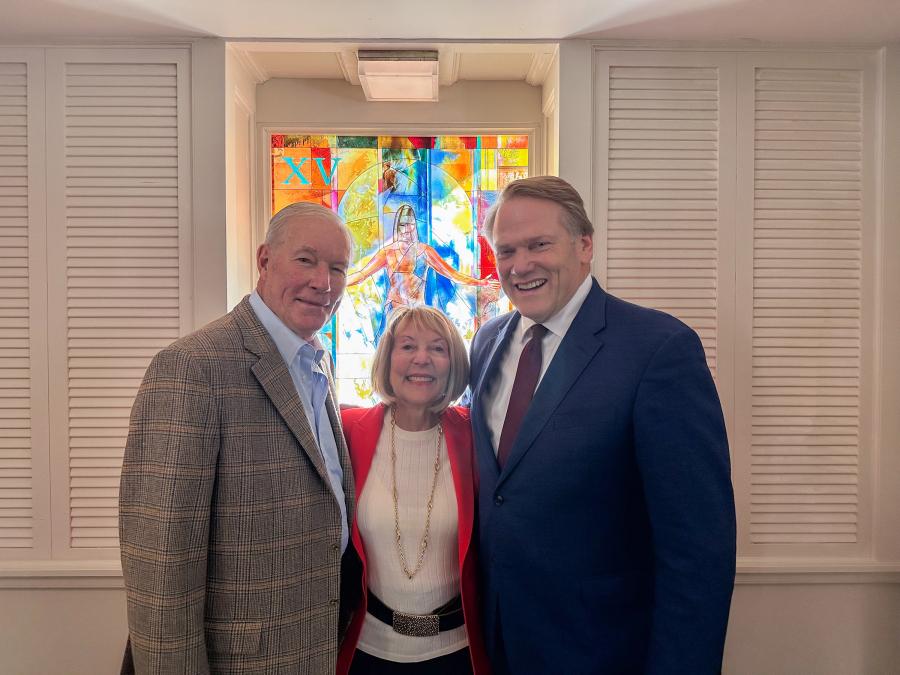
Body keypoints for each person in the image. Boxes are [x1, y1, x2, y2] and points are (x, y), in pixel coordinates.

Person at [468, 176, 736, 674]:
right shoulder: (485, 343)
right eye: (506, 250)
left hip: (606, 653)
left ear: (585, 244)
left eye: (539, 244)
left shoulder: (658, 349)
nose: (520, 265)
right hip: (497, 645)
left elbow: (698, 553)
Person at [119, 202, 357, 674]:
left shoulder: (315, 364)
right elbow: (161, 564)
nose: (323, 282)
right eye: (306, 260)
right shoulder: (192, 368)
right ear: (264, 260)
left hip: (316, 649)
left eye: (338, 268)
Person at [337, 306, 490, 675]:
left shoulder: (477, 436)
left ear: (453, 364)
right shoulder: (347, 430)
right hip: (368, 650)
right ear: (388, 358)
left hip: (458, 652)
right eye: (407, 346)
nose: (421, 359)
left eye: (438, 349)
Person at [345, 204, 499, 315]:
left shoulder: (425, 251)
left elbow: (452, 274)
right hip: (395, 311)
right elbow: (362, 274)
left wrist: (481, 282)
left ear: (414, 226)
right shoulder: (387, 252)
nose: (406, 229)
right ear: (397, 227)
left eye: (410, 224)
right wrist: (338, 281)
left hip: (418, 310)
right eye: (402, 225)